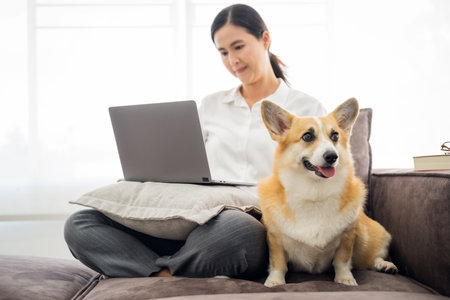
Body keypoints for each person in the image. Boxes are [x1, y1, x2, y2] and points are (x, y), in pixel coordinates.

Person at [64, 4, 326, 280]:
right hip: (197, 218)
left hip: (251, 224)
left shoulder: (306, 108)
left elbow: (321, 182)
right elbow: (184, 165)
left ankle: (157, 270)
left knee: (235, 229)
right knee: (81, 223)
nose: (232, 60)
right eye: (223, 52)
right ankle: (165, 276)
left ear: (265, 39)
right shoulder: (211, 105)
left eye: (238, 47)